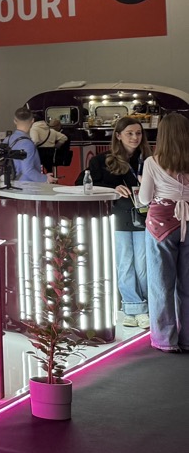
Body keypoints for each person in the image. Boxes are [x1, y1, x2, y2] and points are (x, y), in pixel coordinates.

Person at [86, 118, 150, 329]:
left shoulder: (149, 160)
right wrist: (111, 190)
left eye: (138, 133)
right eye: (129, 133)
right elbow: (85, 184)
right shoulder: (102, 161)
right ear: (118, 135)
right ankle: (132, 306)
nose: (134, 137)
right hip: (119, 217)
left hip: (145, 217)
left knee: (143, 265)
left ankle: (144, 307)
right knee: (124, 263)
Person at [140, 112, 189, 353]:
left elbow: (144, 198)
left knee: (161, 283)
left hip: (161, 225)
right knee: (187, 284)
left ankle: (165, 339)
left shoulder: (152, 162)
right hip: (188, 220)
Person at [3, 107, 47, 185]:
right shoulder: (28, 143)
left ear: (15, 121)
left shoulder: (7, 140)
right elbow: (28, 171)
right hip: (26, 185)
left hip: (9, 182)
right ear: (32, 120)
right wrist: (45, 178)